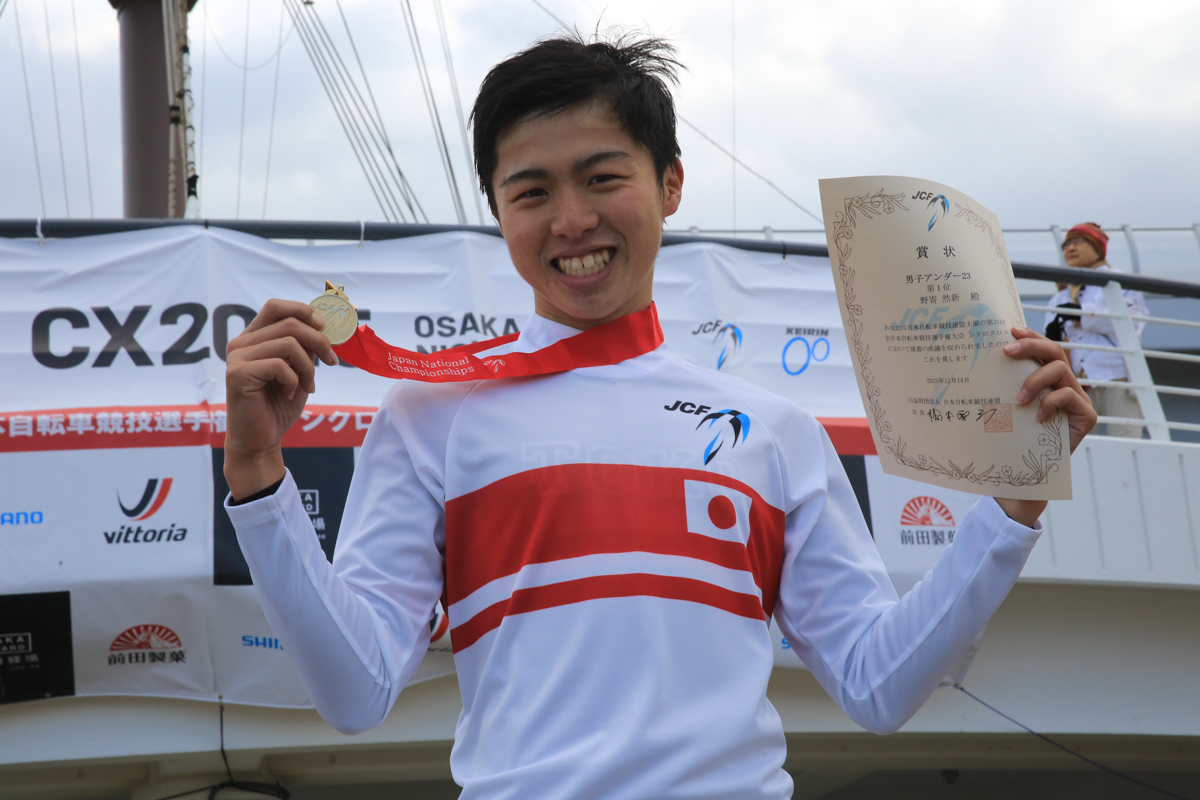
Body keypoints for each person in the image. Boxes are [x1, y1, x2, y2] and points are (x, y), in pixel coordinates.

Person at [222, 34, 1097, 799]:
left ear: (671, 183)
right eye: (531, 193)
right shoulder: (429, 418)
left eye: (603, 178)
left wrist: (1013, 506)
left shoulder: (773, 431)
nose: (572, 220)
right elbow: (356, 691)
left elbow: (878, 682)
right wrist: (259, 477)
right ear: (496, 210)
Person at [1044, 222, 1147, 438]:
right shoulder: (1060, 296)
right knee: (1080, 444)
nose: (1070, 248)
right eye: (1066, 244)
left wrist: (1081, 313)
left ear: (1097, 248)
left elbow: (1133, 321)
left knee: (1126, 440)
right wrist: (1052, 335)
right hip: (1078, 382)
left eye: (1078, 242)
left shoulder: (1115, 281)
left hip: (1116, 376)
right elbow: (1051, 339)